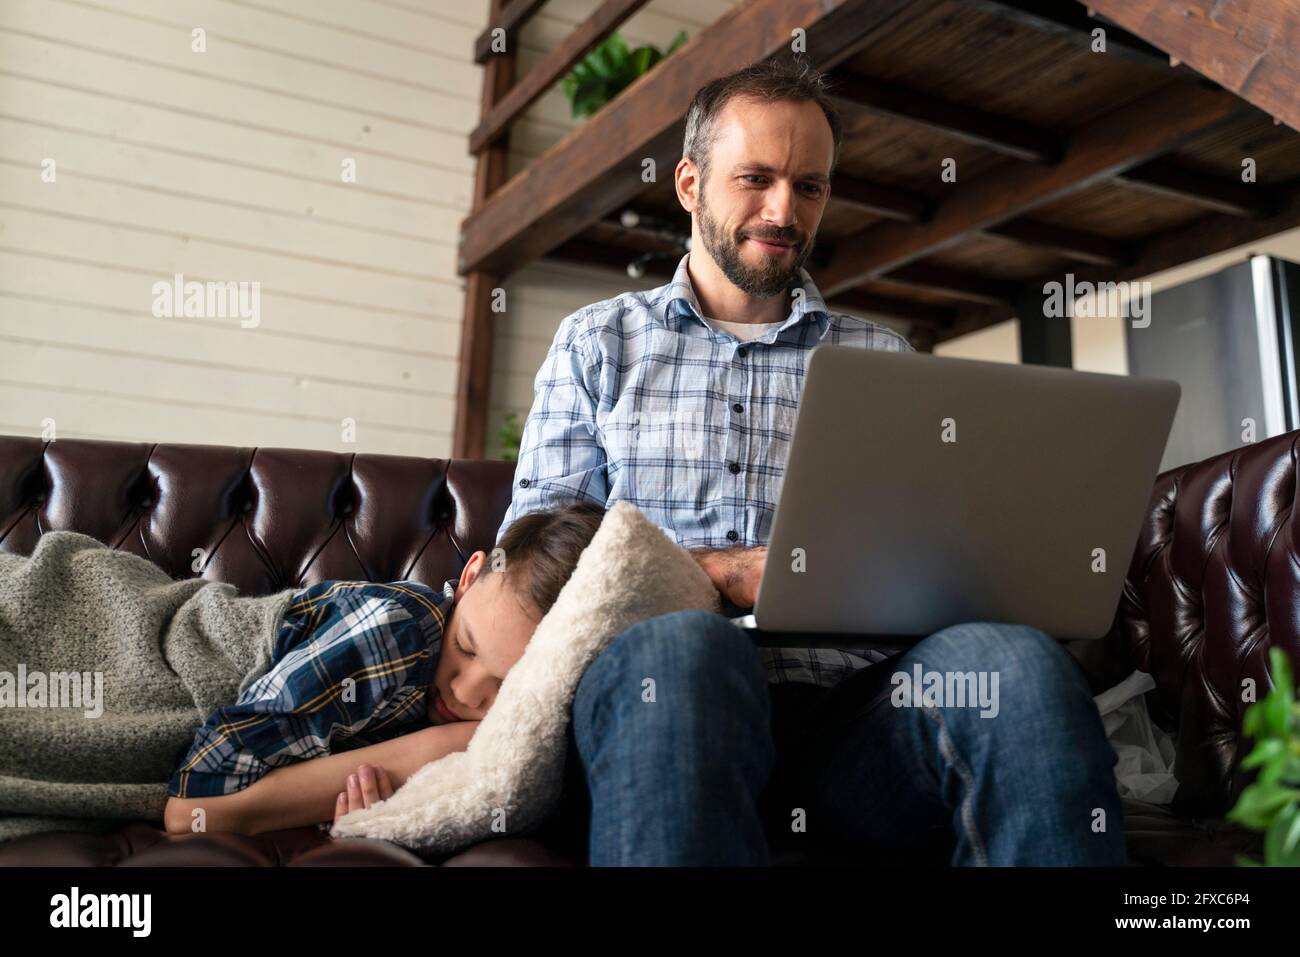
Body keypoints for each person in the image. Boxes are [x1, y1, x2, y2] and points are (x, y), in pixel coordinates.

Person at [493, 59, 1125, 866]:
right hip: (665, 708)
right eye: (755, 178)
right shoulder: (598, 343)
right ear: (688, 183)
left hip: (853, 730)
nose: (784, 210)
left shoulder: (885, 359)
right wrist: (719, 574)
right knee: (688, 649)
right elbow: (534, 563)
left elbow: (937, 562)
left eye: (811, 187)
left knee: (1010, 664)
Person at [162, 500, 606, 837]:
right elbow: (192, 810)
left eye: (507, 687)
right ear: (469, 577)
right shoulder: (399, 632)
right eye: (466, 647)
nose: (467, 693)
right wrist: (441, 745)